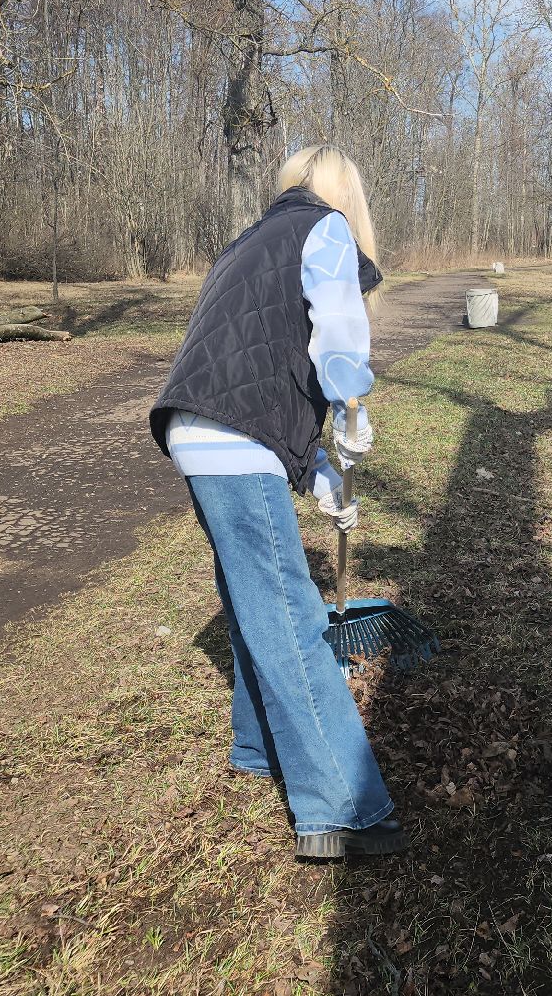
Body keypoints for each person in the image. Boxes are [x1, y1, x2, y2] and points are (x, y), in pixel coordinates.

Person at [149, 145, 406, 859]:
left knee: (251, 596)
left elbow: (261, 373)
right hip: (233, 436)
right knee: (291, 614)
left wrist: (327, 482)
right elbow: (339, 344)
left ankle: (258, 745)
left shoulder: (250, 240)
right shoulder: (324, 229)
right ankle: (341, 808)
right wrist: (354, 410)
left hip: (195, 428)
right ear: (343, 196)